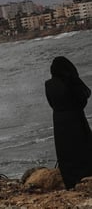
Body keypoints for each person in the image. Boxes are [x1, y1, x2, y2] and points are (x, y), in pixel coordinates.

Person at [45, 56, 92, 189]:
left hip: (59, 121)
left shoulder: (48, 84)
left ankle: (70, 182)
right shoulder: (70, 80)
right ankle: (86, 176)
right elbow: (83, 96)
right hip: (75, 118)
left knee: (65, 151)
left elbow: (51, 103)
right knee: (82, 147)